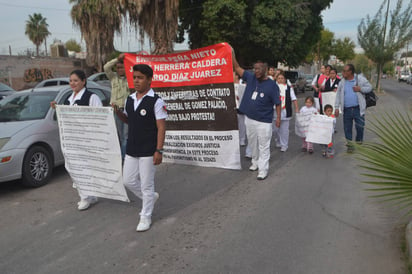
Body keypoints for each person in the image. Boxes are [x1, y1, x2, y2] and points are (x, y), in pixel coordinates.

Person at [116, 64, 167, 232]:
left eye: (140, 78)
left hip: (148, 149)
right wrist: (118, 113)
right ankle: (151, 198)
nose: (136, 81)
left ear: (149, 80)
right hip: (132, 148)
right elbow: (129, 120)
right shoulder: (130, 99)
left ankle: (145, 216)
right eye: (135, 77)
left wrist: (159, 150)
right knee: (128, 181)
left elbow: (161, 127)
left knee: (146, 185)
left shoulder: (156, 101)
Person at [51, 69, 103, 211]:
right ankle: (89, 195)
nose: (72, 83)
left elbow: (99, 117)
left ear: (83, 81)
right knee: (73, 167)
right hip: (74, 140)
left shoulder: (92, 97)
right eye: (71, 81)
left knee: (85, 167)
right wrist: (57, 109)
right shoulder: (69, 98)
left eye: (75, 80)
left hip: (87, 139)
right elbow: (67, 118)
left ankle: (85, 197)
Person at [232, 49, 281, 180]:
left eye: (258, 69)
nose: (256, 71)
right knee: (252, 143)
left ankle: (263, 169)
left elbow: (277, 103)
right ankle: (255, 162)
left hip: (264, 121)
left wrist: (278, 119)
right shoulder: (251, 78)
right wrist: (231, 53)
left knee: (264, 146)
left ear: (265, 69)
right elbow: (237, 67)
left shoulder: (272, 85)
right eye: (254, 69)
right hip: (250, 119)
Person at [334, 64, 372, 153]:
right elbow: (338, 95)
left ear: (350, 72)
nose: (342, 73)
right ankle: (350, 145)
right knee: (347, 128)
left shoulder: (359, 79)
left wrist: (360, 89)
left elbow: (369, 87)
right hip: (346, 109)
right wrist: (336, 107)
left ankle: (358, 142)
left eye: (344, 71)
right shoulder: (342, 82)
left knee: (360, 127)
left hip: (358, 109)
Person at [104, 53, 130, 160]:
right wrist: (117, 59)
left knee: (126, 136)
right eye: (118, 68)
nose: (119, 70)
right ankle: (119, 157)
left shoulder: (130, 78)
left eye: (122, 67)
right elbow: (106, 67)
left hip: (127, 111)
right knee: (118, 136)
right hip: (116, 111)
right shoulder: (113, 78)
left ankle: (124, 159)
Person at [273, 70, 299, 152]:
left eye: (282, 78)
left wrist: (296, 108)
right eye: (279, 78)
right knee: (275, 129)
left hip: (285, 110)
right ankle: (277, 140)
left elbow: (294, 98)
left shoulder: (288, 88)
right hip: (274, 111)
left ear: (285, 80)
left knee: (284, 129)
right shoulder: (273, 87)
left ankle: (284, 145)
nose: (280, 79)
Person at [234, 72, 247, 146]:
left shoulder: (243, 84)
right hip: (233, 107)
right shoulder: (230, 84)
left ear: (236, 76)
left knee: (242, 124)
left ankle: (242, 139)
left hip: (241, 107)